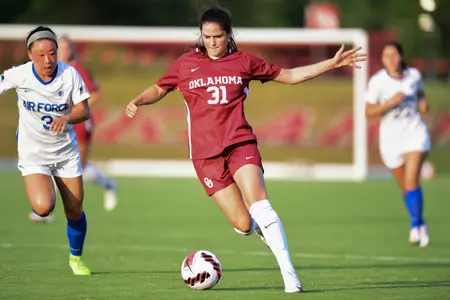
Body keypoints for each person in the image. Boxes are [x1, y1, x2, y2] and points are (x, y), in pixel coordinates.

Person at [125, 6, 366, 292]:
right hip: (205, 156)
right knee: (243, 224)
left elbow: (289, 76)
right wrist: (138, 100)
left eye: (218, 36)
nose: (212, 42)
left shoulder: (243, 62)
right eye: (206, 36)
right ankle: (259, 230)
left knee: (261, 205)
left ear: (229, 35)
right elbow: (160, 87)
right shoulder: (185, 64)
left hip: (240, 143)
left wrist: (331, 64)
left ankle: (290, 277)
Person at [0, 26, 91, 274]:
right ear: (29, 54)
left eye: (52, 53)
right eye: (40, 55)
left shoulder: (70, 74)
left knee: (74, 209)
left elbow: (84, 111)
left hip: (65, 153)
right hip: (33, 153)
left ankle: (76, 258)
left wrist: (67, 118)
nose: (48, 60)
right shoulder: (19, 75)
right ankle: (41, 187)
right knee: (43, 208)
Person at [28, 35, 118, 224]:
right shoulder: (52, 70)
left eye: (65, 47)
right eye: (58, 48)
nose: (61, 51)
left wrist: (74, 109)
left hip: (79, 125)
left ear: (72, 50)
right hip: (59, 124)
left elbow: (94, 94)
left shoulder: (77, 69)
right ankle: (46, 211)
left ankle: (108, 184)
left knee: (80, 169)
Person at [365, 41, 430, 247]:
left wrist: (422, 103)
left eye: (394, 54)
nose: (390, 59)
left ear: (401, 56)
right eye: (386, 56)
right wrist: (388, 103)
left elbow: (420, 93)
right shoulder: (378, 82)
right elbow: (368, 112)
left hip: (415, 133)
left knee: (412, 181)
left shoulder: (414, 76)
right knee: (406, 189)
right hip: (391, 139)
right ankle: (420, 220)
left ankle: (414, 227)